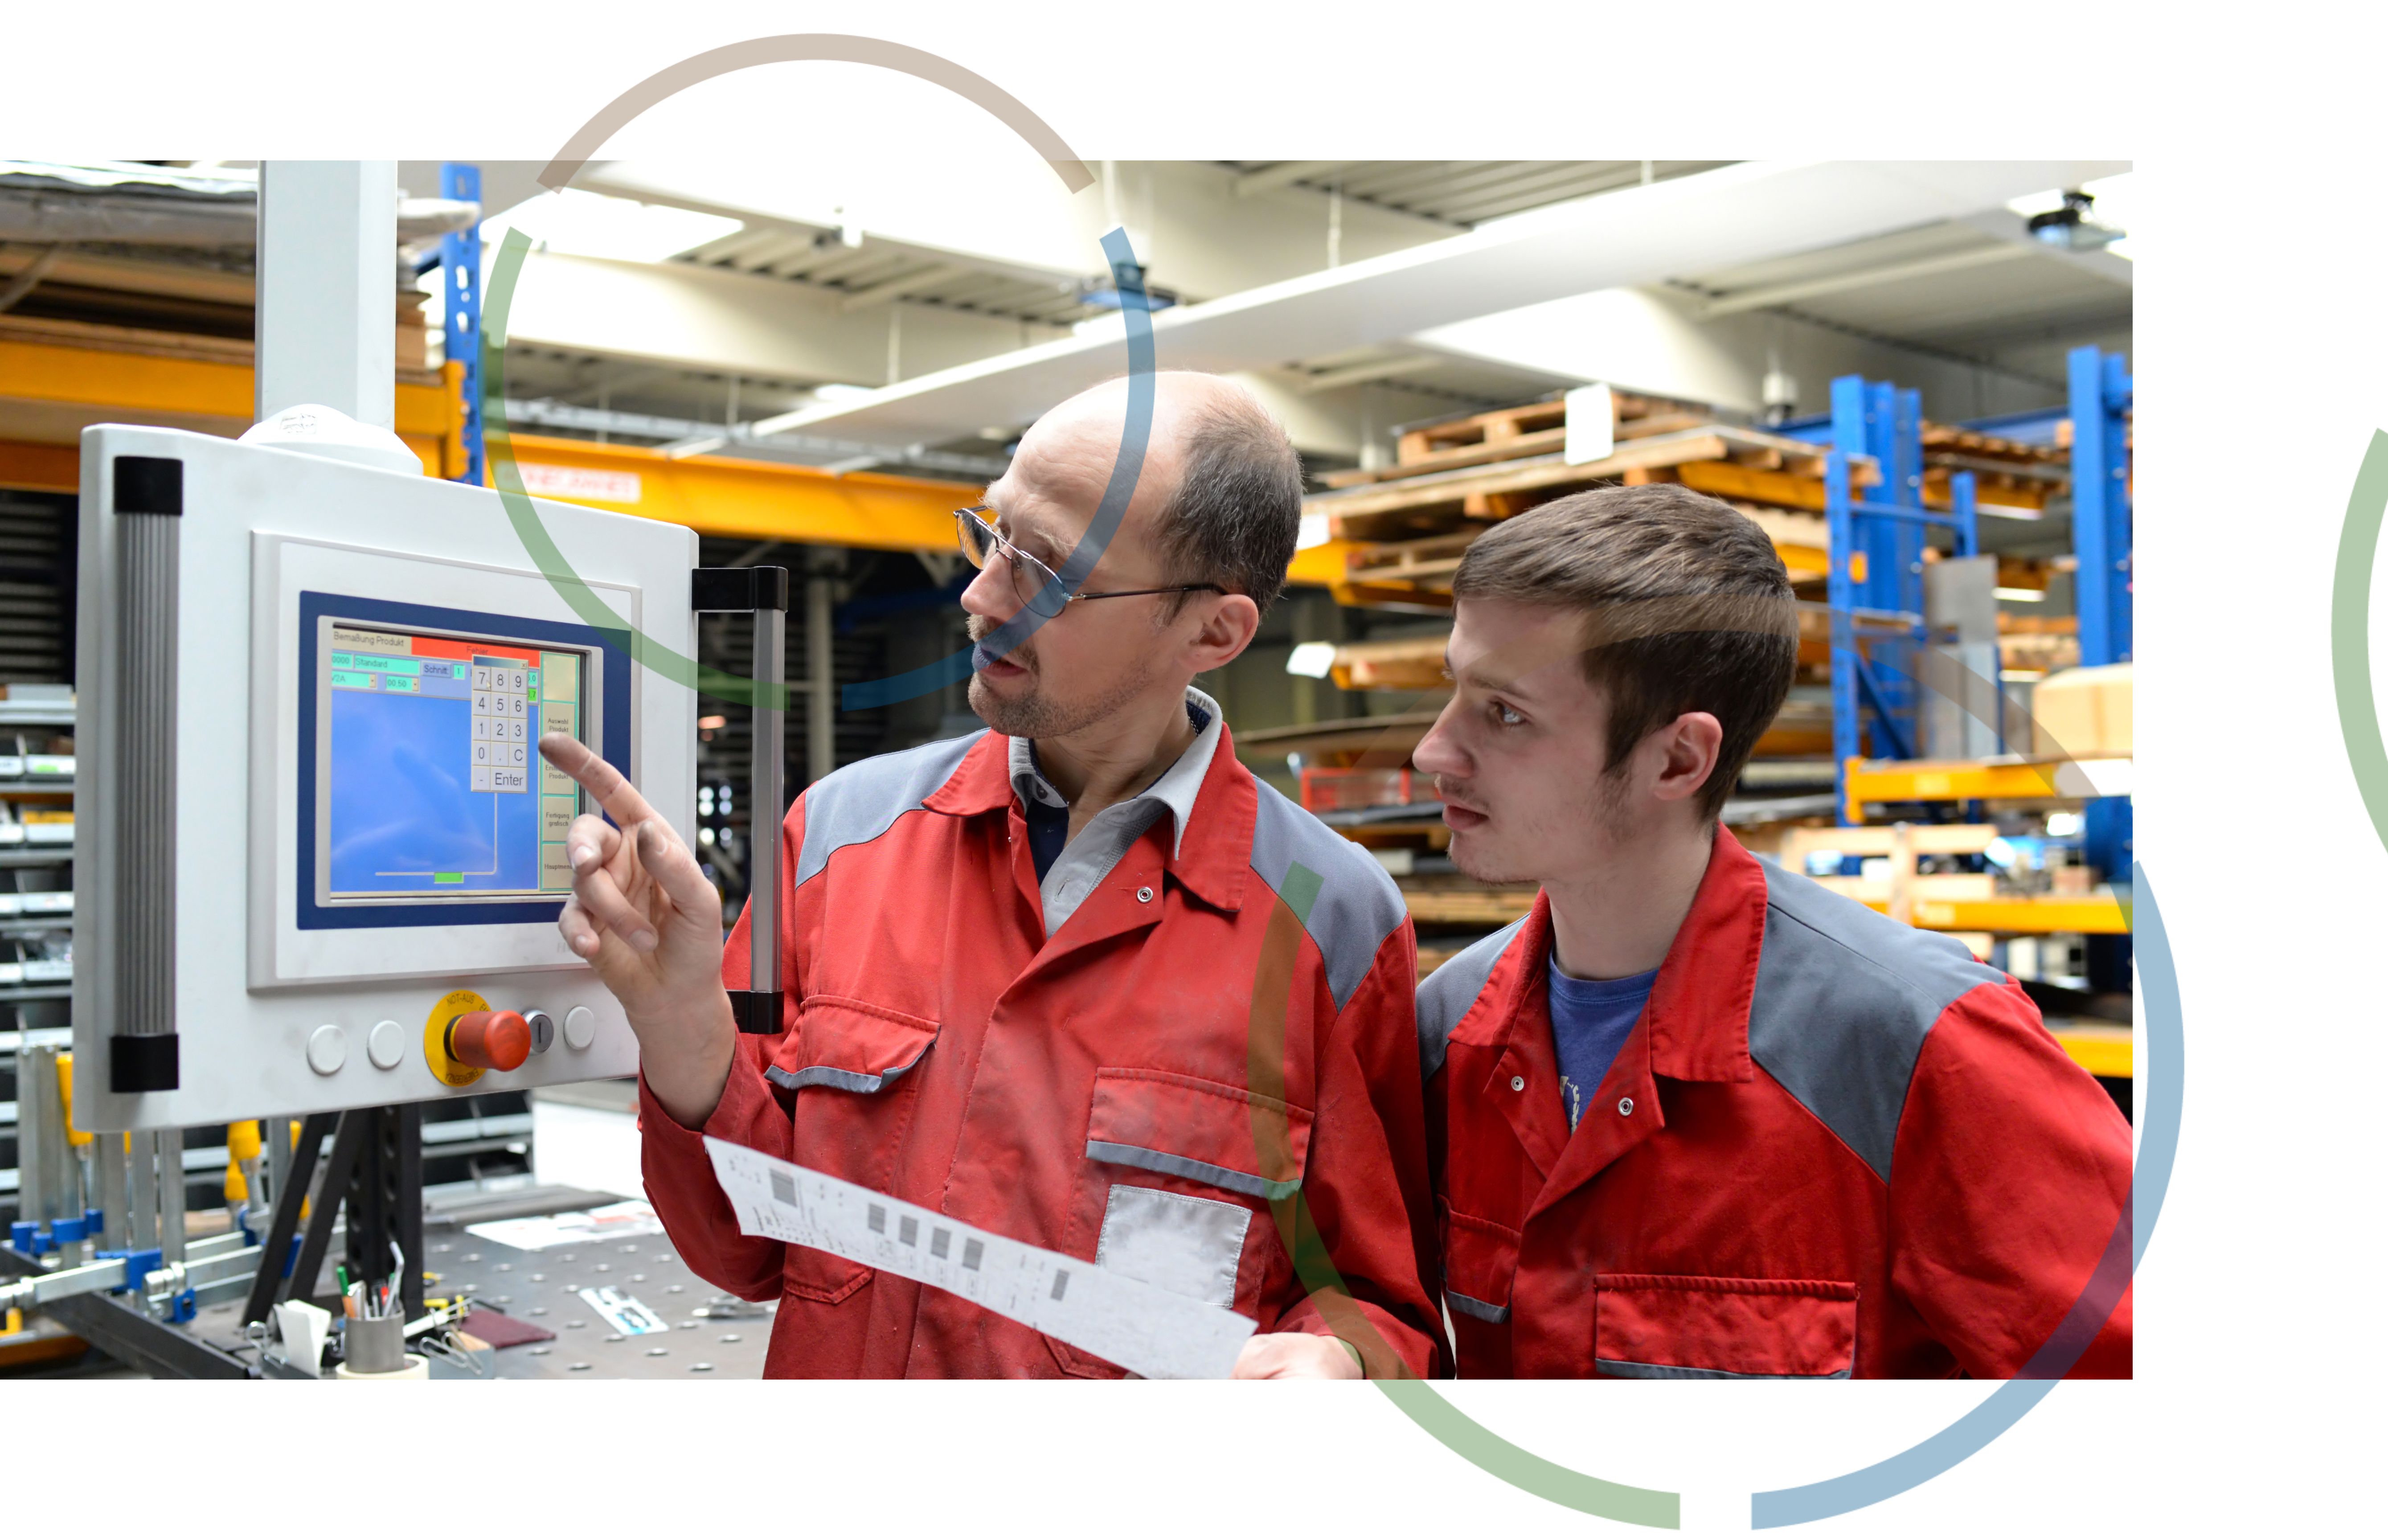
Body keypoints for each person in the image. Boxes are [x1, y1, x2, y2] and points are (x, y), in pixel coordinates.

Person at [539, 372, 1440, 1379]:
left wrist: (1341, 1365)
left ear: (1214, 632)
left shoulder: (1333, 923)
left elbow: (1378, 1300)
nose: (980, 595)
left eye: (1045, 569)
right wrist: (683, 1026)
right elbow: (743, 1253)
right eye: (991, 534)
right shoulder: (840, 837)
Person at [1408, 483, 2134, 1379]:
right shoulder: (1444, 1037)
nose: (1432, 752)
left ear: (1676, 758)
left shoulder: (1921, 1050)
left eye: (1505, 712)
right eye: (1457, 692)